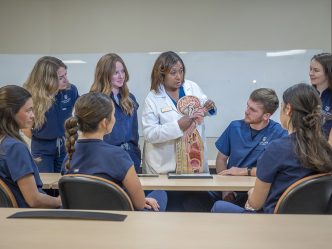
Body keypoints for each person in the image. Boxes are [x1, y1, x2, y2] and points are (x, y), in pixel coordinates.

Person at [211, 83, 332, 213]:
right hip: (310, 220)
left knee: (219, 206)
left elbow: (256, 203)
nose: (247, 111)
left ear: (288, 109)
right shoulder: (324, 149)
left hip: (274, 221)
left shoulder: (278, 148)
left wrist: (251, 192)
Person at [62, 92, 167, 211]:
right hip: (118, 223)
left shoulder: (69, 156)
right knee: (160, 193)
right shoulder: (118, 156)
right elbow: (139, 204)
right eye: (113, 114)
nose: (115, 118)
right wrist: (143, 201)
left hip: (81, 221)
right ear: (104, 123)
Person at [141, 51, 216, 211]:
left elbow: (204, 105)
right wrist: (178, 126)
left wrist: (209, 108)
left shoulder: (191, 87)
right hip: (164, 168)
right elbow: (150, 133)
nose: (178, 77)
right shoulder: (153, 98)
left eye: (181, 71)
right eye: (173, 72)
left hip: (193, 165)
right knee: (170, 211)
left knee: (195, 210)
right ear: (161, 75)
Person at [214, 88, 287, 206]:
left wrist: (243, 172)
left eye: (253, 110)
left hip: (258, 192)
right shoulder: (234, 127)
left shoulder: (279, 133)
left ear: (266, 116)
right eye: (247, 106)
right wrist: (225, 190)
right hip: (231, 189)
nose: (246, 111)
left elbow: (277, 170)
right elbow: (221, 158)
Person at [0, 85, 61, 208]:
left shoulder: (5, 144)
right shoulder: (15, 148)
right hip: (30, 216)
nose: (33, 115)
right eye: (28, 110)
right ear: (11, 113)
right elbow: (34, 200)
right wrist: (60, 201)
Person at [24, 56, 79, 173]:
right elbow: (26, 128)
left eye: (66, 75)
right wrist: (44, 137)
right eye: (60, 78)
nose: (66, 80)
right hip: (42, 147)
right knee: (45, 184)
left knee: (64, 182)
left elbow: (79, 114)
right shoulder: (31, 96)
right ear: (47, 80)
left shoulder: (71, 90)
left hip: (66, 144)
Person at [90, 53, 141, 173]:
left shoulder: (130, 98)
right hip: (108, 157)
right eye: (115, 73)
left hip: (131, 156)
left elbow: (134, 131)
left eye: (122, 71)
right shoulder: (95, 99)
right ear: (105, 74)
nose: (121, 76)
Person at [309, 53, 332, 145]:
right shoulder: (307, 94)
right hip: (306, 148)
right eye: (310, 69)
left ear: (328, 72)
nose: (311, 73)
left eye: (316, 70)